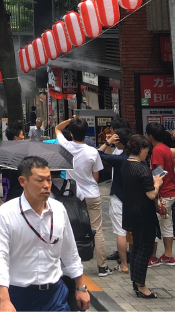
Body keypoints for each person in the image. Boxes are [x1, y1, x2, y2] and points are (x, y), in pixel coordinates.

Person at [0, 156, 90, 312]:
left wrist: (81, 287)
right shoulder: (7, 213)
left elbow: (70, 252)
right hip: (20, 294)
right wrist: (4, 299)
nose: (46, 185)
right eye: (40, 181)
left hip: (55, 294)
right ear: (23, 181)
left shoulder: (59, 209)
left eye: (49, 180)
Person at [55, 116, 109, 277]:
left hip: (72, 195)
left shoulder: (65, 146)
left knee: (71, 229)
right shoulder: (93, 152)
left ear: (71, 133)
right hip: (91, 194)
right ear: (86, 133)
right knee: (97, 229)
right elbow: (96, 176)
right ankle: (102, 267)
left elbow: (57, 129)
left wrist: (70, 120)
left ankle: (72, 265)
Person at [121, 134, 163, 299]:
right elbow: (152, 194)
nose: (148, 153)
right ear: (140, 149)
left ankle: (136, 281)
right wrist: (157, 183)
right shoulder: (142, 167)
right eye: (146, 150)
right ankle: (141, 285)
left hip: (131, 213)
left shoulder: (125, 165)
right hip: (144, 215)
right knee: (144, 250)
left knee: (137, 247)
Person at [98, 128, 132, 274]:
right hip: (133, 198)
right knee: (132, 231)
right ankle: (134, 259)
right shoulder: (136, 158)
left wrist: (107, 143)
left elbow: (97, 154)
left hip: (118, 197)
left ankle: (124, 264)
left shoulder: (119, 159)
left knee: (121, 231)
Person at [145, 122, 175, 267]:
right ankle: (168, 256)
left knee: (154, 224)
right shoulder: (166, 148)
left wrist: (150, 182)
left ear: (150, 136)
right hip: (170, 192)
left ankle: (152, 256)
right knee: (166, 223)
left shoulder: (157, 150)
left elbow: (160, 172)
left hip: (162, 194)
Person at [0, 125, 26, 207]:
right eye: (22, 135)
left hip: (8, 196)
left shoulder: (3, 154)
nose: (23, 137)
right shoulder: (24, 154)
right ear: (16, 138)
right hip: (22, 196)